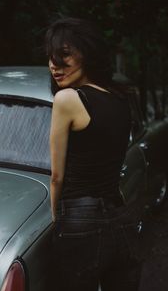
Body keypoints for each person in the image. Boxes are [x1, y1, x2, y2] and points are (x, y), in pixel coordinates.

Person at [45, 17, 142, 291]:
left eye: (64, 55)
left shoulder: (67, 99)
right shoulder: (120, 100)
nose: (54, 65)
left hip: (79, 218)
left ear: (86, 54)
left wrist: (57, 221)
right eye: (51, 57)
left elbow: (56, 176)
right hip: (121, 218)